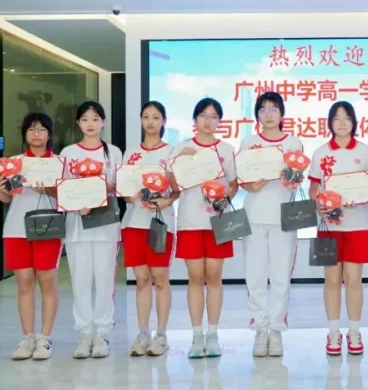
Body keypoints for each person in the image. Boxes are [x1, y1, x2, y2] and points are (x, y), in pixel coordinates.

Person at [170, 97, 238, 359]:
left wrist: (223, 196)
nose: (208, 121)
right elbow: (173, 186)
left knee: (214, 276)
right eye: (203, 116)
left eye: (213, 116)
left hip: (218, 221)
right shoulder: (181, 148)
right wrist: (180, 162)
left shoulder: (227, 149)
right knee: (195, 277)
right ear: (195, 119)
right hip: (190, 221)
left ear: (219, 121)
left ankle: (213, 334)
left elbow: (234, 184)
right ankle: (197, 335)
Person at [309, 101, 368, 356]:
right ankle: (334, 331)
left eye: (346, 118)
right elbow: (314, 189)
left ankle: (355, 331)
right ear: (330, 122)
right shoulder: (320, 152)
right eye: (336, 118)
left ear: (354, 122)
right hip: (328, 226)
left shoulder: (365, 151)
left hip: (358, 224)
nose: (341, 123)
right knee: (331, 279)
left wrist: (364, 194)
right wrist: (320, 203)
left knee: (354, 279)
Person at [239, 92, 304, 358]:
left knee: (280, 275)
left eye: (273, 109)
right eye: (263, 109)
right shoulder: (248, 143)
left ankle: (276, 328)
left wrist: (291, 178)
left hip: (283, 217)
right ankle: (260, 327)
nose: (268, 114)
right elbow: (242, 179)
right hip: (254, 215)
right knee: (254, 275)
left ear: (282, 113)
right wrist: (250, 186)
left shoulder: (293, 143)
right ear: (257, 115)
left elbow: (297, 178)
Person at [0, 112, 61, 361]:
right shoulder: (14, 163)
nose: (36, 134)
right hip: (16, 228)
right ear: (24, 134)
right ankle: (28, 336)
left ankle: (45, 337)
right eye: (31, 129)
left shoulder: (59, 163)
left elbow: (69, 195)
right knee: (23, 282)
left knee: (47, 280)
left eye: (42, 129)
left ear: (49, 134)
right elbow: (5, 198)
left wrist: (49, 189)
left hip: (48, 227)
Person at [60, 101, 123, 359]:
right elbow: (63, 188)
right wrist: (78, 203)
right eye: (85, 119)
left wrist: (102, 188)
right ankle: (85, 333)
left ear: (103, 122)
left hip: (106, 225)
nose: (90, 124)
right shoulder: (68, 152)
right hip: (77, 226)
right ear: (78, 123)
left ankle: (102, 333)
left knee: (105, 280)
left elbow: (120, 186)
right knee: (80, 281)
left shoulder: (113, 153)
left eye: (95, 119)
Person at [121, 101, 178, 357]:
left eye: (156, 117)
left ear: (163, 121)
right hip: (134, 223)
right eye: (146, 117)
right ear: (141, 120)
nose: (151, 122)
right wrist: (131, 195)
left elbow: (177, 189)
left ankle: (161, 334)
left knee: (160, 279)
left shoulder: (172, 152)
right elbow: (124, 191)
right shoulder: (131, 153)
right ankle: (143, 333)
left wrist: (166, 200)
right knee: (142, 280)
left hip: (160, 223)